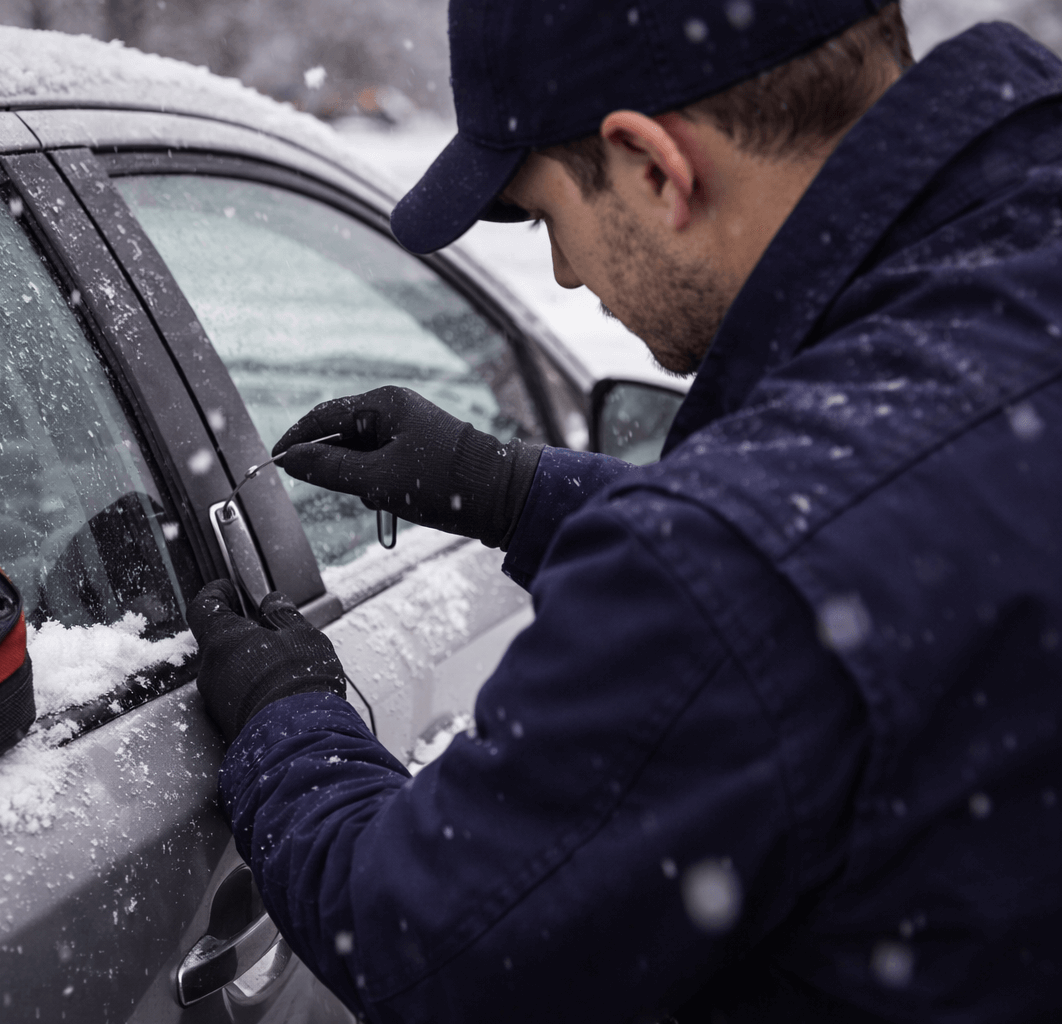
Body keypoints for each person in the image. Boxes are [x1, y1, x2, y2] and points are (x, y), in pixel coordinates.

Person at [186, 1, 1062, 1019]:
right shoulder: (1014, 267)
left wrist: (287, 719)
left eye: (542, 215)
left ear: (653, 166)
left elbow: (428, 944)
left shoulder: (733, 569)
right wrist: (511, 489)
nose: (563, 270)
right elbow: (889, 533)